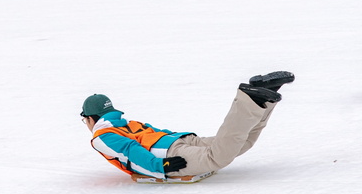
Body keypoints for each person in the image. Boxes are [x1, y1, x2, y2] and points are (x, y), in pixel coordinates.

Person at [81, 72, 294, 180]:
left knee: (217, 157)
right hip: (178, 140)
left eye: (85, 120)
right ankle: (264, 98)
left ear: (91, 118)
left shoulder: (102, 135)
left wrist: (160, 166)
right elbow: (155, 132)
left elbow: (131, 149)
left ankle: (251, 98)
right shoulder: (127, 123)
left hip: (168, 155)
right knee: (241, 143)